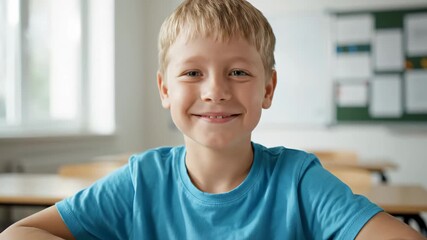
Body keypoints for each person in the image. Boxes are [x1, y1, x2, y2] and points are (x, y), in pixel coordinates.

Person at [1, 0, 425, 239]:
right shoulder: (140, 182)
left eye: (238, 72)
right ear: (165, 90)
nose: (215, 91)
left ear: (268, 89)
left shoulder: (298, 181)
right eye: (192, 73)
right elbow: (18, 235)